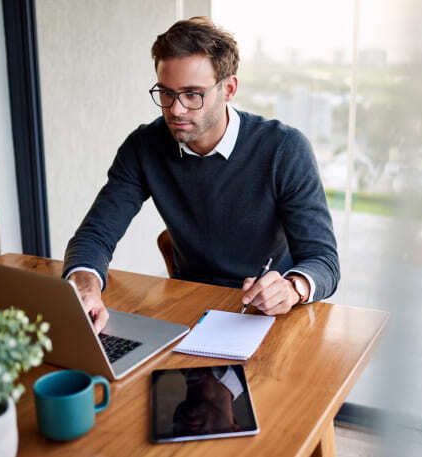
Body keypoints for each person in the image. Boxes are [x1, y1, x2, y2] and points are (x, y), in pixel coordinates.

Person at [63, 17, 339, 333]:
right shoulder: (144, 146)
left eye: (193, 94)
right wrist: (84, 286)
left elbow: (323, 261)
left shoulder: (284, 149)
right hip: (190, 307)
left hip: (268, 314)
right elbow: (96, 234)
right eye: (166, 93)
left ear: (229, 88)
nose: (176, 109)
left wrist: (292, 288)